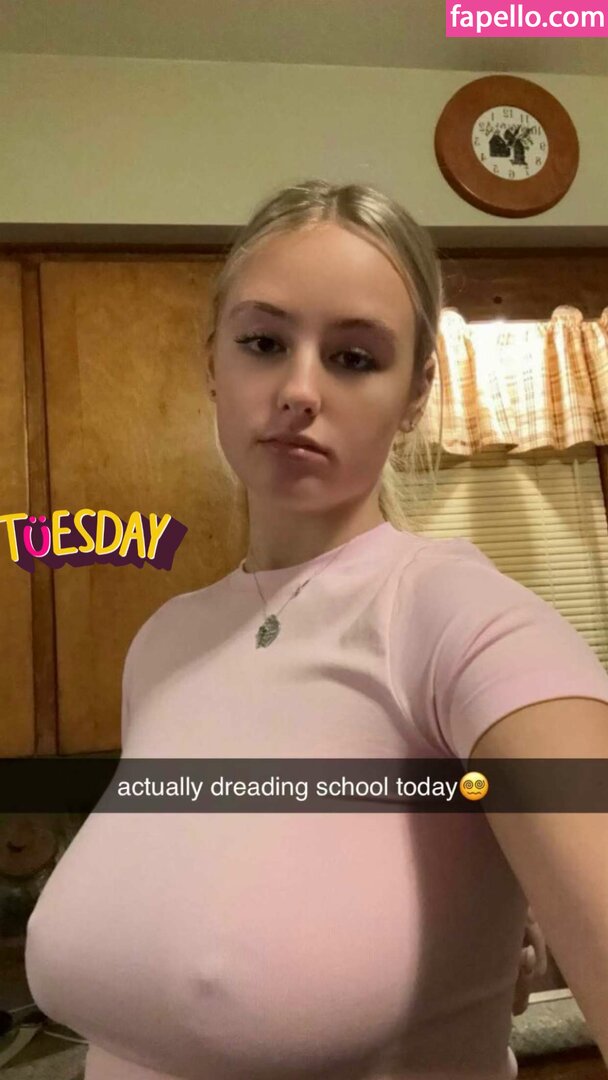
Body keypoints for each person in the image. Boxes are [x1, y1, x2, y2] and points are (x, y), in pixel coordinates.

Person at [24, 179, 608, 1080]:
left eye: (353, 357)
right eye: (264, 343)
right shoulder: (165, 645)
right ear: (212, 364)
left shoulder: (465, 623)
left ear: (414, 395)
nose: (299, 389)